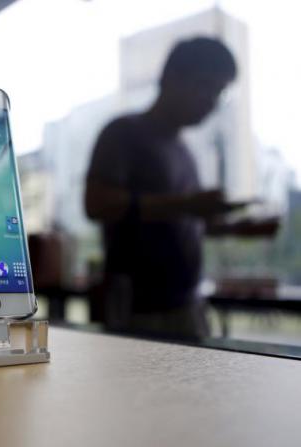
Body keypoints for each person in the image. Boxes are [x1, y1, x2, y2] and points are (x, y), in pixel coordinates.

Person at [84, 37, 278, 338]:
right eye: (205, 86)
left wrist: (239, 228)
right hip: (138, 310)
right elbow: (96, 204)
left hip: (188, 304)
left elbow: (190, 223)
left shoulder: (184, 151)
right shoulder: (124, 133)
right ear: (170, 78)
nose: (211, 101)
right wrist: (187, 204)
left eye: (219, 92)